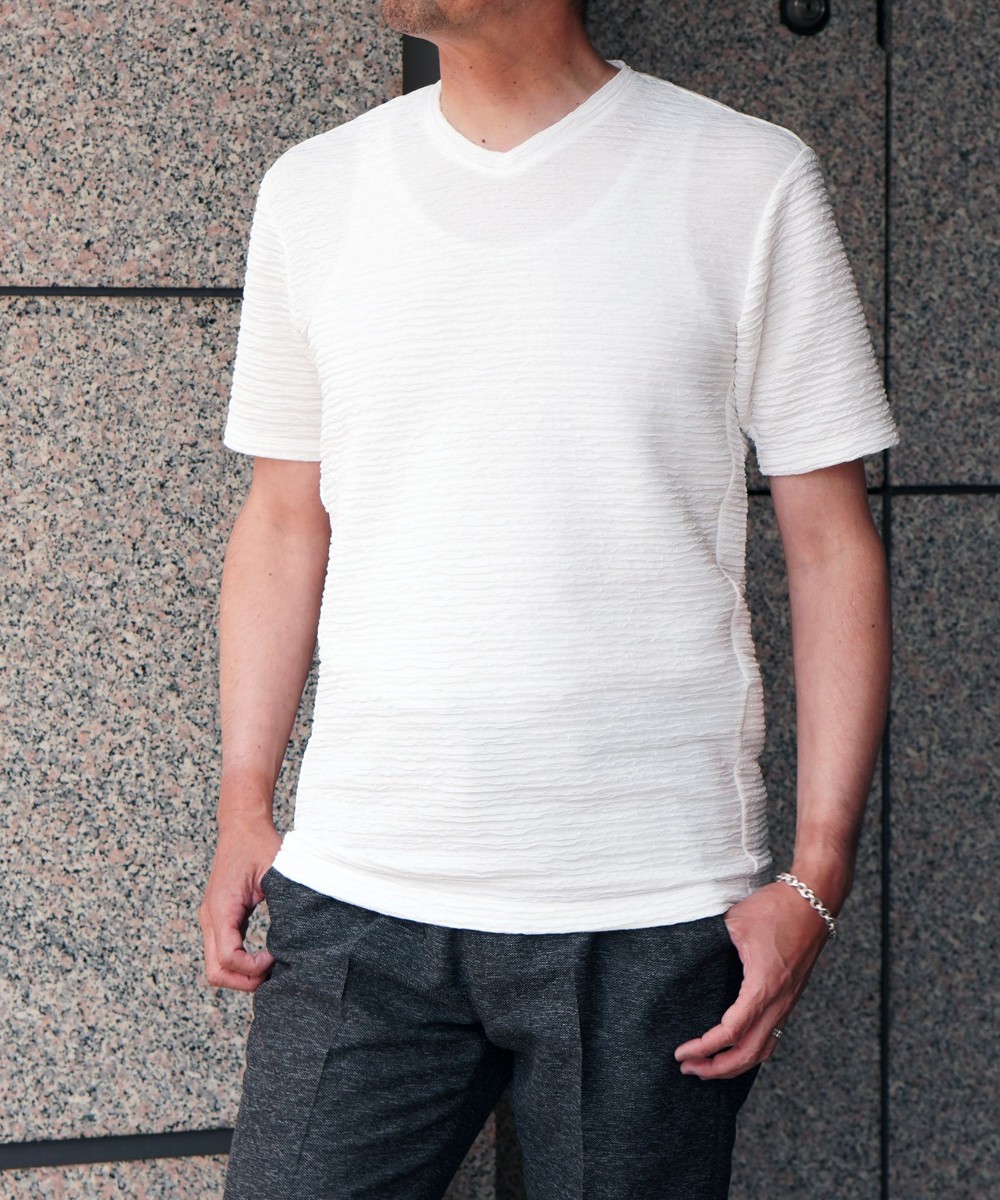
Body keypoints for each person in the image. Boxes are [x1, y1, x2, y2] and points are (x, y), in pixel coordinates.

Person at [199, 1, 898, 1196]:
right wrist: (241, 803)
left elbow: (831, 546)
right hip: (361, 892)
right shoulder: (314, 191)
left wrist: (816, 879)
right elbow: (281, 519)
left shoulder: (745, 178)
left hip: (649, 906)